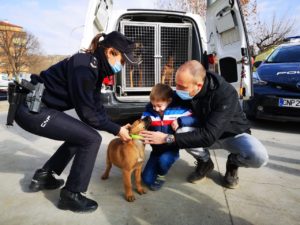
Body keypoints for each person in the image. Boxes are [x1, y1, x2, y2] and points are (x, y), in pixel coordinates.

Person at [14, 31, 141, 213]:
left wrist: (118, 126)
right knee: (91, 139)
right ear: (111, 52)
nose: (122, 66)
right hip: (32, 110)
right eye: (122, 60)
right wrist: (116, 130)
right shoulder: (84, 67)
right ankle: (71, 195)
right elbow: (88, 114)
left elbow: (96, 106)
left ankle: (44, 176)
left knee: (81, 135)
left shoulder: (94, 68)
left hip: (38, 108)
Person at [141, 60, 268, 189]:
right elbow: (162, 101)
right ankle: (205, 162)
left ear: (199, 85)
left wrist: (166, 138)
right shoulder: (187, 89)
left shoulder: (225, 94)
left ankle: (233, 163)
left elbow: (209, 135)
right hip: (205, 133)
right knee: (182, 132)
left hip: (232, 134)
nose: (177, 90)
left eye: (182, 87)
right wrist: (146, 115)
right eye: (176, 85)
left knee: (259, 156)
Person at [141, 83, 201, 191]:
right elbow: (143, 127)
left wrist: (181, 121)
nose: (156, 108)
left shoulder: (179, 110)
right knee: (146, 180)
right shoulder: (148, 112)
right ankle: (153, 169)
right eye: (153, 105)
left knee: (163, 161)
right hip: (156, 150)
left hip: (171, 147)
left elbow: (196, 119)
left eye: (159, 105)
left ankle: (161, 175)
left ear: (169, 101)